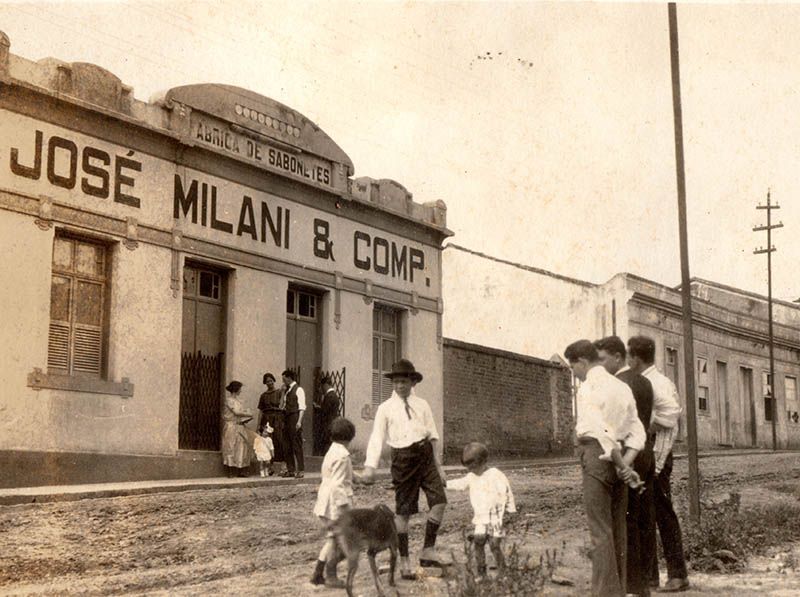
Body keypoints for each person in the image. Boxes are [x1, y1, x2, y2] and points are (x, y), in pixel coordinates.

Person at [564, 339, 646, 597]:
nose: (573, 373)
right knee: (617, 528)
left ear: (583, 362)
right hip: (619, 456)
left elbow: (602, 432)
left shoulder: (589, 387)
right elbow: (638, 432)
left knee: (600, 531)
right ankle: (617, 590)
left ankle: (605, 593)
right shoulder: (621, 387)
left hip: (598, 455)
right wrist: (627, 464)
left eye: (572, 366)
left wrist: (621, 464)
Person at [361, 358, 447, 579]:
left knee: (439, 502)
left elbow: (433, 435)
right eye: (397, 382)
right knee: (403, 513)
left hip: (426, 456)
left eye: (404, 381)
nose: (400, 386)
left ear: (412, 382)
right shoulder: (385, 409)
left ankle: (428, 550)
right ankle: (405, 561)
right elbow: (377, 437)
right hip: (403, 460)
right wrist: (370, 466)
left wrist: (439, 466)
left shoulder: (423, 405)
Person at [596, 336, 657, 597]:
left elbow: (612, 425)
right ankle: (646, 580)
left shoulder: (617, 384)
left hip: (625, 455)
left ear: (618, 357)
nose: (600, 365)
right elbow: (648, 420)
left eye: (603, 359)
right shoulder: (644, 381)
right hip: (644, 454)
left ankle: (632, 584)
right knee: (644, 518)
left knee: (626, 521)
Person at [627, 336, 689, 593]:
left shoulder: (656, 383)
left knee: (663, 513)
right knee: (646, 515)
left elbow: (672, 414)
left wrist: (649, 423)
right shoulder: (651, 380)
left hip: (658, 455)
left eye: (629, 357)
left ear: (636, 358)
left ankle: (677, 574)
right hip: (649, 455)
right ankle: (650, 576)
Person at [446, 442, 516, 580]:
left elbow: (508, 493)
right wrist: (444, 483)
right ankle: (481, 573)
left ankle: (503, 572)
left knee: (494, 545)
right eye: (469, 467)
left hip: (497, 517)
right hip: (481, 518)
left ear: (484, 461)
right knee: (478, 542)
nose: (472, 470)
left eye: (474, 466)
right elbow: (459, 484)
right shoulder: (471, 476)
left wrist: (510, 511)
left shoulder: (496, 475)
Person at [311, 417, 360, 588]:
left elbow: (336, 475)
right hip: (334, 504)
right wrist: (345, 508)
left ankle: (318, 573)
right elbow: (339, 484)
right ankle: (329, 575)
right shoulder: (343, 456)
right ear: (350, 437)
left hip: (324, 500)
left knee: (333, 538)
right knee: (345, 540)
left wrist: (356, 477)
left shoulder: (332, 451)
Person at [221, 380, 253, 477]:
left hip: (239, 425)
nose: (241, 391)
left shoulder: (239, 401)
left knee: (241, 447)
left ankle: (240, 469)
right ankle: (230, 471)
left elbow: (240, 414)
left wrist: (246, 418)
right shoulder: (229, 400)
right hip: (231, 426)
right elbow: (237, 412)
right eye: (240, 389)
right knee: (230, 447)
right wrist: (248, 413)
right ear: (236, 389)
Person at [281, 369, 306, 478]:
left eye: (284, 379)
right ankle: (290, 469)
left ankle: (300, 470)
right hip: (286, 418)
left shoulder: (299, 389)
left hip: (294, 417)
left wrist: (299, 421)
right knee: (287, 444)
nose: (283, 381)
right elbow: (282, 405)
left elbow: (302, 407)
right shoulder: (286, 390)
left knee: (296, 444)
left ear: (289, 378)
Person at [258, 372, 285, 476]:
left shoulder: (279, 392)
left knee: (279, 441)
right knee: (267, 444)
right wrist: (258, 426)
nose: (269, 383)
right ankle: (270, 467)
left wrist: (282, 393)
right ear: (265, 383)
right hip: (267, 420)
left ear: (274, 380)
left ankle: (283, 466)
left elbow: (282, 404)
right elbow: (260, 411)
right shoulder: (263, 396)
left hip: (277, 419)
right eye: (267, 381)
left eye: (271, 380)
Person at [314, 375, 341, 455]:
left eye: (321, 386)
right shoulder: (334, 395)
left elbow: (324, 412)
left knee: (326, 447)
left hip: (327, 426)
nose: (321, 389)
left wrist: (317, 408)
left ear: (325, 385)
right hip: (331, 425)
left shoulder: (329, 396)